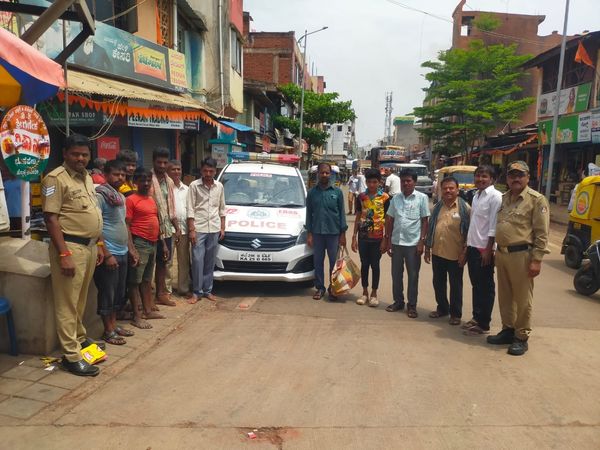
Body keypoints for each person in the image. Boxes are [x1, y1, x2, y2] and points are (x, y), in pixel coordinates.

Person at [42, 134, 104, 377]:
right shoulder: (55, 179)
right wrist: (64, 253)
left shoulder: (87, 177)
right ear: (65, 154)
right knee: (67, 303)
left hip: (88, 247)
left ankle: (80, 339)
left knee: (80, 299)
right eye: (76, 154)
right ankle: (70, 355)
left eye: (85, 155)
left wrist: (98, 243)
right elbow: (51, 218)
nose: (81, 158)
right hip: (70, 248)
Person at [488, 161, 549, 356]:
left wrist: (537, 259)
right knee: (506, 297)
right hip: (502, 254)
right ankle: (508, 330)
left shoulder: (536, 200)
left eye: (520, 175)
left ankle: (521, 337)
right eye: (512, 174)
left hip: (522, 255)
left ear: (528, 177)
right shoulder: (504, 198)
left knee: (523, 299)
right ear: (507, 178)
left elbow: (542, 233)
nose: (516, 178)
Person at [93, 160, 135, 345]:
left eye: (123, 175)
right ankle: (107, 331)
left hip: (123, 250)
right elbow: (97, 226)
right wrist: (106, 252)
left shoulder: (120, 196)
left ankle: (114, 324)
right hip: (109, 252)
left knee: (118, 292)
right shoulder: (100, 195)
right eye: (116, 174)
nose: (120, 178)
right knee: (107, 292)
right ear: (106, 174)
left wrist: (130, 249)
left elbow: (124, 224)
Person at [383, 168, 430, 318]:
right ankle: (398, 301)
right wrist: (388, 240)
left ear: (414, 182)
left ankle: (412, 305)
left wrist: (421, 242)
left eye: (409, 181)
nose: (405, 183)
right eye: (403, 181)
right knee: (396, 275)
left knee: (413, 276)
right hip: (397, 242)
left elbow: (424, 221)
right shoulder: (395, 198)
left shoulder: (422, 198)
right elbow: (389, 219)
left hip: (413, 244)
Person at [463, 165, 503, 336]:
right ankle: (476, 316)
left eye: (484, 176)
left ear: (492, 179)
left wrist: (489, 249)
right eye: (478, 176)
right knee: (476, 285)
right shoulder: (476, 195)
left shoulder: (496, 197)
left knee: (485, 287)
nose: (480, 179)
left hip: (484, 249)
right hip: (473, 246)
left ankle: (484, 323)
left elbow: (494, 225)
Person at [424, 176, 470, 325]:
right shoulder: (437, 207)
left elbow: (469, 232)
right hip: (438, 252)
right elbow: (431, 229)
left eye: (451, 188)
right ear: (441, 190)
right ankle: (442, 308)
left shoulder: (465, 208)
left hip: (455, 254)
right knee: (438, 282)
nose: (448, 191)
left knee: (456, 285)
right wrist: (427, 248)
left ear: (457, 190)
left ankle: (456, 314)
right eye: (445, 188)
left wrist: (465, 252)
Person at [126, 167, 164, 329]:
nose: (146, 183)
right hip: (139, 243)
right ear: (136, 182)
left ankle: (148, 310)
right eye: (143, 180)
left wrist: (162, 244)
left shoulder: (151, 199)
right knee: (135, 281)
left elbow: (157, 221)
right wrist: (132, 248)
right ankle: (137, 315)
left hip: (153, 243)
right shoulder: (131, 200)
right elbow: (126, 225)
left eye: (148, 180)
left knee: (147, 280)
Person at [306, 162, 348, 301]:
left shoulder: (337, 192)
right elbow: (309, 214)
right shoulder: (312, 193)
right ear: (318, 173)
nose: (324, 175)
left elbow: (342, 213)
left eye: (327, 173)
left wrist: (343, 234)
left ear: (331, 174)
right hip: (317, 233)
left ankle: (333, 288)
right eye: (322, 172)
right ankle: (320, 288)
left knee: (333, 263)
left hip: (333, 233)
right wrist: (309, 234)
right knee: (318, 262)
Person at [187, 157, 225, 303]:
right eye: (205, 171)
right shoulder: (194, 186)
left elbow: (222, 208)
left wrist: (222, 227)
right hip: (199, 228)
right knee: (197, 260)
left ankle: (208, 290)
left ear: (215, 171)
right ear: (201, 170)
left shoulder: (219, 186)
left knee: (210, 261)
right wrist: (191, 229)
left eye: (211, 171)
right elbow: (190, 208)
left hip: (214, 228)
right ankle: (197, 292)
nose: (208, 174)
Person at [351, 169, 390, 307]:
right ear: (366, 182)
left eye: (375, 182)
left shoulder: (385, 197)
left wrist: (386, 239)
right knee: (364, 264)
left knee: (375, 265)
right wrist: (354, 237)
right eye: (369, 182)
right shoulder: (361, 197)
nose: (372, 184)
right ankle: (365, 292)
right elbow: (358, 216)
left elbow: (388, 219)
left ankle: (374, 293)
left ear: (379, 182)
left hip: (378, 238)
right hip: (363, 237)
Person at [151, 147, 180, 307]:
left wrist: (177, 227)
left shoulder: (168, 181)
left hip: (167, 228)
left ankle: (161, 294)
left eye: (164, 162)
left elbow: (171, 206)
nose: (162, 165)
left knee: (164, 262)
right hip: (151, 229)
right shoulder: (148, 178)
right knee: (149, 265)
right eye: (159, 162)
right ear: (153, 161)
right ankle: (148, 297)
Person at [167, 160, 192, 298]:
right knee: (168, 261)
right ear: (168, 172)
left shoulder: (187, 189)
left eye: (178, 169)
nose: (176, 172)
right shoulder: (165, 189)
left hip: (184, 230)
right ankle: (167, 290)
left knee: (184, 260)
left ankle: (183, 288)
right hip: (169, 230)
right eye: (173, 169)